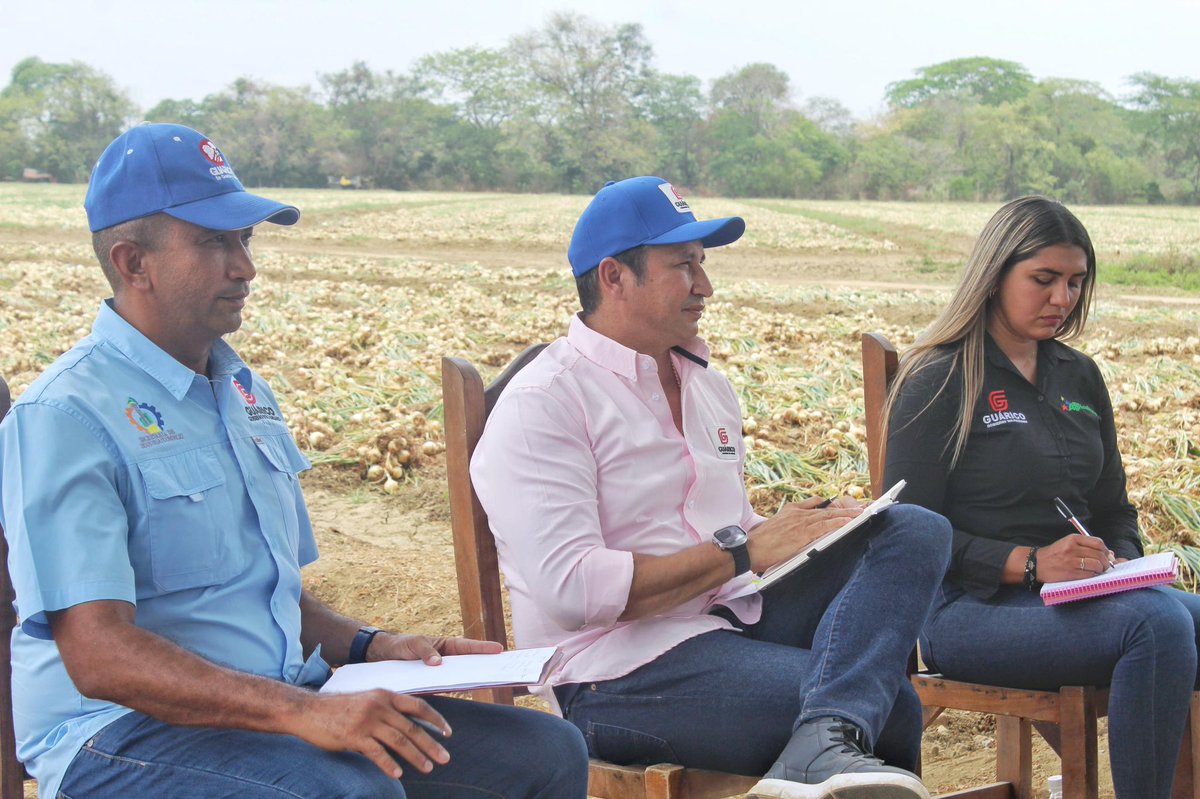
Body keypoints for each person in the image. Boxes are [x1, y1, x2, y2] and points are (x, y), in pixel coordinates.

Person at [0, 123, 588, 799]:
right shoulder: (67, 417)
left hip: (270, 704)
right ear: (135, 263)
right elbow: (100, 655)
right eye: (214, 242)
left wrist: (373, 646)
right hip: (119, 733)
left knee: (544, 752)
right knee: (348, 791)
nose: (245, 266)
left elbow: (266, 592)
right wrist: (308, 713)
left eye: (244, 239)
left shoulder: (241, 391)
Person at [470, 176, 952, 799]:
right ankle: (829, 738)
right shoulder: (545, 401)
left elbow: (725, 530)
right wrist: (744, 549)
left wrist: (793, 530)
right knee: (891, 708)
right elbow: (571, 591)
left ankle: (824, 737)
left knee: (913, 529)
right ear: (613, 276)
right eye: (683, 266)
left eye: (702, 264)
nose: (705, 286)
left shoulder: (707, 386)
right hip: (614, 674)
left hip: (725, 620)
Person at [882, 196, 1200, 799]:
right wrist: (1027, 563)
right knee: (1156, 626)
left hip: (1080, 597)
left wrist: (1124, 559)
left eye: (1076, 282)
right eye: (1044, 280)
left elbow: (1113, 506)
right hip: (968, 610)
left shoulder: (1078, 375)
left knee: (1179, 616)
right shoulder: (942, 378)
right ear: (995, 275)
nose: (1063, 299)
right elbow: (902, 530)